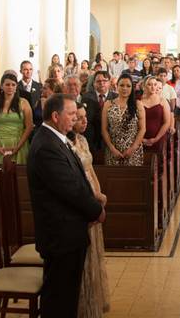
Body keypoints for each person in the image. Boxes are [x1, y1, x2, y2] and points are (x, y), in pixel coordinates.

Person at [28, 93, 105, 318]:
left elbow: (77, 180)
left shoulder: (56, 139)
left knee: (67, 295)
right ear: (55, 115)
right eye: (70, 114)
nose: (75, 118)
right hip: (61, 234)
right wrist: (95, 210)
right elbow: (70, 189)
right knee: (59, 299)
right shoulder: (46, 146)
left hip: (68, 232)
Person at [69, 102, 111, 317]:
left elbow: (91, 169)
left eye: (86, 117)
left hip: (93, 196)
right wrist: (93, 197)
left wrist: (100, 194)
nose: (85, 121)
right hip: (82, 197)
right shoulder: (67, 146)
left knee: (93, 249)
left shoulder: (83, 140)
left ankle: (93, 299)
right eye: (80, 117)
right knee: (83, 252)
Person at [0, 72, 34, 164]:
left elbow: (29, 126)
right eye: (7, 84)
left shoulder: (24, 103)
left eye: (13, 85)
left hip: (19, 144)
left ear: (16, 87)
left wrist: (17, 147)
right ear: (2, 86)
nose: (10, 87)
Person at [101, 74, 146, 166]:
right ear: (116, 86)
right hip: (113, 151)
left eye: (128, 86)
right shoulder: (108, 104)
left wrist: (132, 149)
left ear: (132, 88)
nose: (124, 88)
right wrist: (112, 148)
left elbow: (142, 129)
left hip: (133, 151)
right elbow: (104, 129)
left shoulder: (138, 104)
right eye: (121, 85)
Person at [139, 76, 173, 153]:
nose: (153, 87)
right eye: (149, 84)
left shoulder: (163, 101)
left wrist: (156, 139)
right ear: (144, 86)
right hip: (140, 139)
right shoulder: (139, 101)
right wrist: (141, 139)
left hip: (159, 138)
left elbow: (167, 122)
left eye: (155, 84)